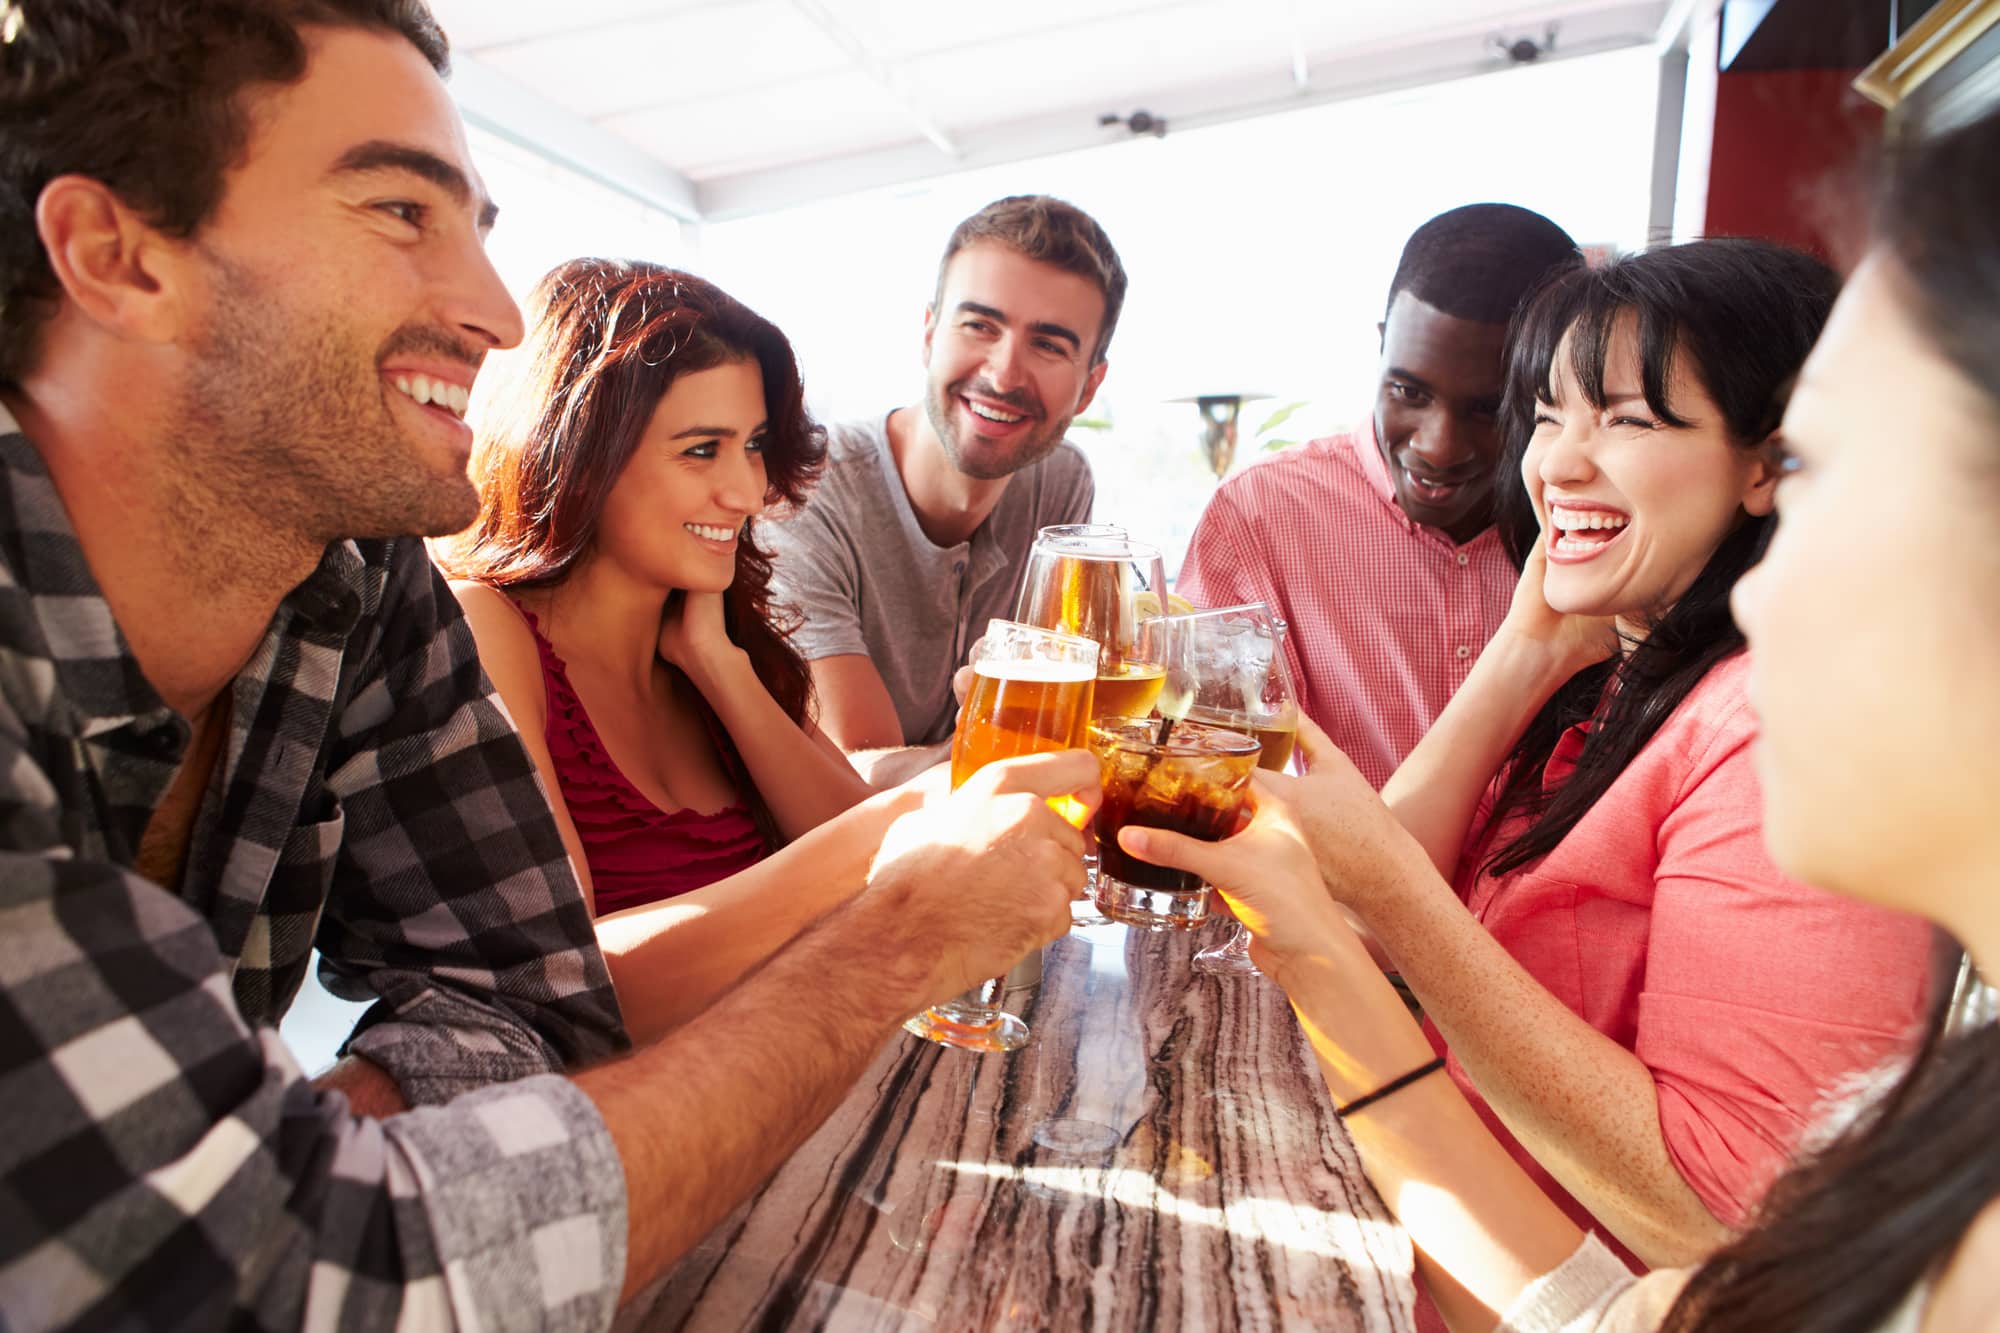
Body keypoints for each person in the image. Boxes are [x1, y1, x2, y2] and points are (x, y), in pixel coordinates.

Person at [0, 4, 1092, 1326]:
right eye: (402, 211)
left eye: (478, 229)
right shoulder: (461, 606)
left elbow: (533, 996)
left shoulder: (351, 586)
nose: (496, 313)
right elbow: (297, 1286)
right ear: (114, 256)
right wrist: (893, 937)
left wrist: (320, 1176)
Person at [1122, 107, 2000, 1332]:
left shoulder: (1748, 722)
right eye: (1549, 416)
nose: (1550, 464)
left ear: (1761, 464)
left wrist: (1383, 890)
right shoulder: (1611, 679)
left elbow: (1720, 1220)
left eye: (1627, 419)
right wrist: (1523, 651)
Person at [437, 259, 871, 919]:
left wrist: (723, 672)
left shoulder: (718, 646)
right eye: (702, 450)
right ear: (579, 458)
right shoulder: (486, 628)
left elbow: (884, 863)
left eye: (754, 445)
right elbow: (564, 971)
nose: (749, 492)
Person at [1176, 204, 1582, 787]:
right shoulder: (1263, 514)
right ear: (1382, 344)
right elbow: (1203, 770)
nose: (1438, 448)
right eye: (1407, 391)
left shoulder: (1600, 526)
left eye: (1488, 409)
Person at [763, 194, 1124, 785]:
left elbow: (1067, 716)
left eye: (1050, 344)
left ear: (1089, 388)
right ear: (930, 334)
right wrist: (1000, 750)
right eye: (980, 325)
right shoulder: (808, 488)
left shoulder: (1061, 483)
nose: (1004, 374)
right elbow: (853, 777)